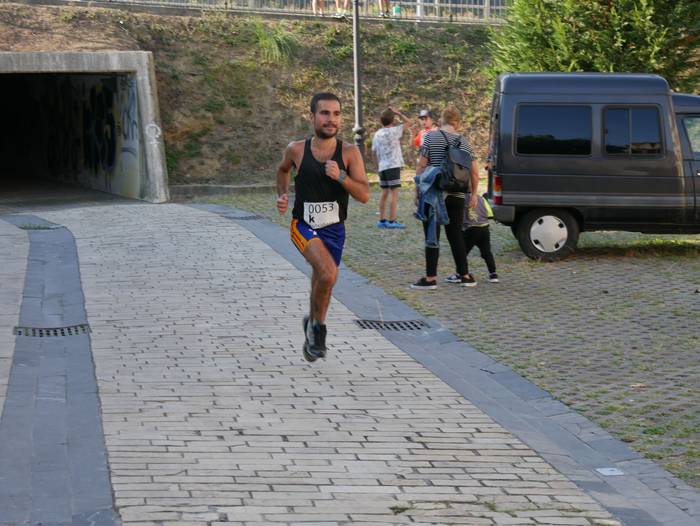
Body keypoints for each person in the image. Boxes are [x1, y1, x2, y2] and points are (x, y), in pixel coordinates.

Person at [276, 92, 370, 362]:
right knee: (328, 273)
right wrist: (282, 195)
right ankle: (319, 329)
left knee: (323, 279)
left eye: (336, 114)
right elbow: (282, 170)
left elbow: (364, 195)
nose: (331, 119)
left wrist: (341, 177)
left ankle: (312, 324)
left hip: (334, 229)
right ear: (312, 116)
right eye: (325, 113)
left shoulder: (349, 153)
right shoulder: (297, 150)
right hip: (303, 224)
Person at [411, 105, 480, 290]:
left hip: (433, 193)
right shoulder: (464, 142)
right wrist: (474, 194)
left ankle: (430, 278)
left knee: (432, 234)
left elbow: (421, 166)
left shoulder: (430, 137)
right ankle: (465, 276)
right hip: (457, 194)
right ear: (457, 122)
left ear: (441, 120)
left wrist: (417, 191)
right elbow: (474, 172)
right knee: (456, 235)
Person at [371, 106, 409, 229]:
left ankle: (382, 220)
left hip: (382, 167)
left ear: (381, 121)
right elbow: (408, 122)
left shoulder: (377, 134)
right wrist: (398, 113)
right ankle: (392, 222)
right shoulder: (395, 131)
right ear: (392, 120)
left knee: (384, 193)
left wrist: (376, 167)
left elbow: (373, 152)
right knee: (394, 195)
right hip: (393, 166)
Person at [462, 192, 499, 284]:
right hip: (484, 228)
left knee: (462, 253)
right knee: (486, 252)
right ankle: (493, 274)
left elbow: (461, 216)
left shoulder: (463, 198)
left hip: (472, 229)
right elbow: (489, 213)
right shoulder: (480, 197)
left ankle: (460, 274)